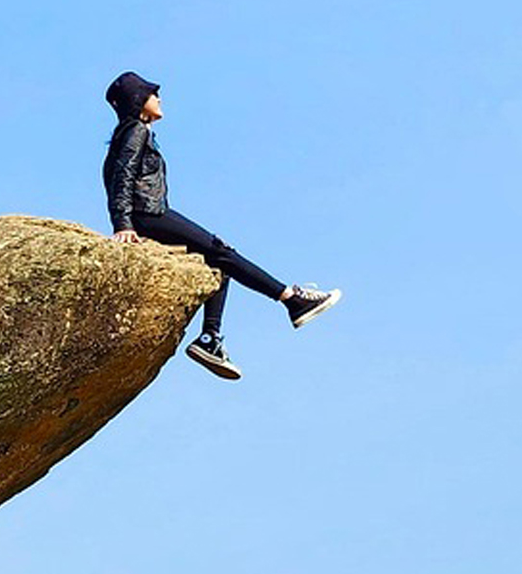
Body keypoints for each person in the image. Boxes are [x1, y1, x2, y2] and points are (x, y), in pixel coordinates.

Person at [102, 71, 342, 380]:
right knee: (221, 250)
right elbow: (122, 176)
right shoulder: (136, 131)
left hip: (148, 213)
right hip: (148, 214)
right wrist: (123, 224)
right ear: (138, 100)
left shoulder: (133, 132)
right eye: (152, 93)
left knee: (217, 262)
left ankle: (209, 339)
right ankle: (291, 299)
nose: (159, 98)